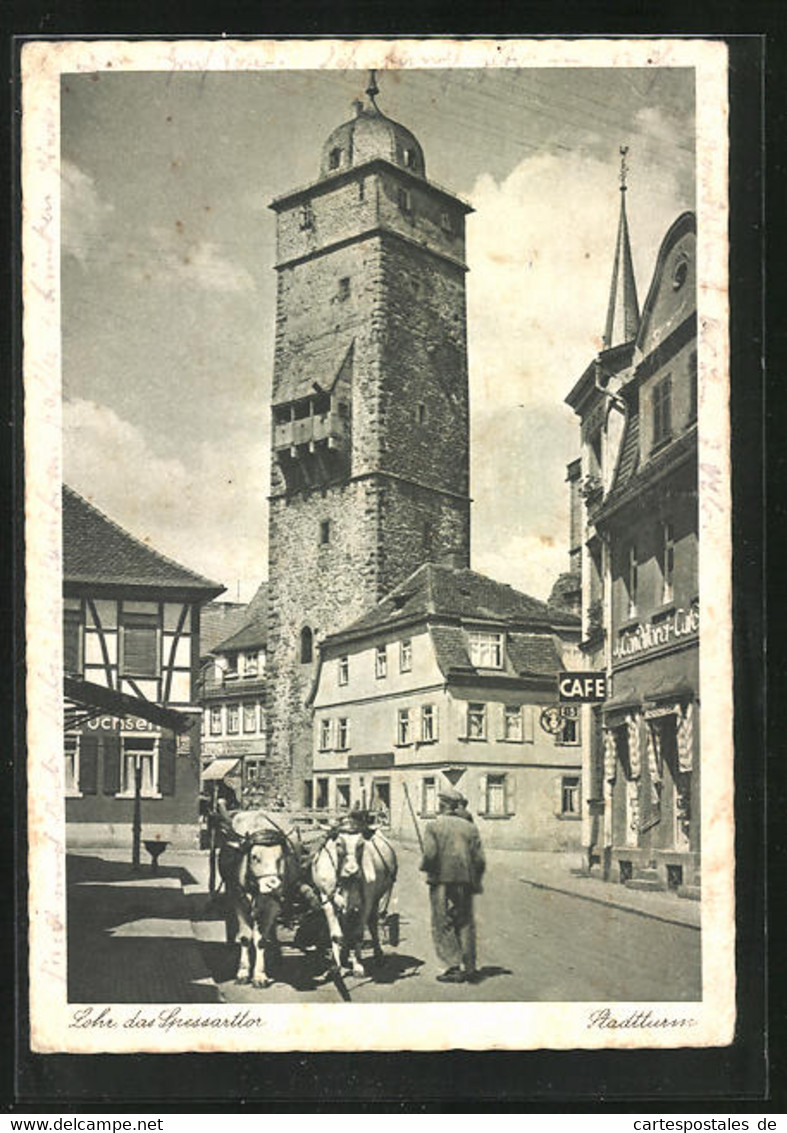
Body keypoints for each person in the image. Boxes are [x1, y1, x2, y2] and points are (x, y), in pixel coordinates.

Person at [420, 785, 485, 983]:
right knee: (465, 921)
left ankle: (453, 967)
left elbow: (430, 855)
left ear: (442, 805)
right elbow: (479, 860)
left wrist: (425, 865)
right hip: (465, 881)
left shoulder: (433, 826)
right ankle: (470, 966)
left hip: (441, 880)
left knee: (442, 922)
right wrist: (475, 880)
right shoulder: (471, 828)